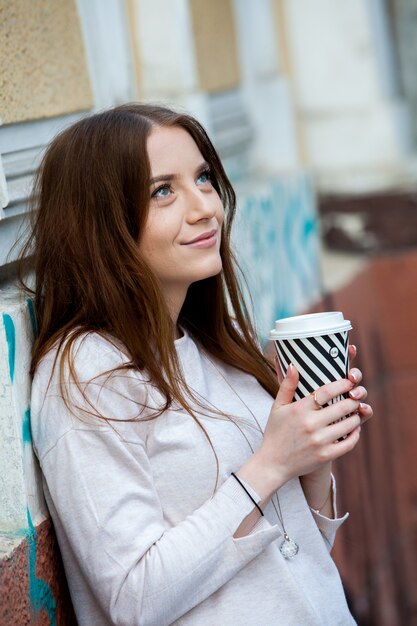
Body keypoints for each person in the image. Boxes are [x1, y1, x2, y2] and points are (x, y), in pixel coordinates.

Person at [25, 103, 373, 626]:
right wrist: (272, 462)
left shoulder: (213, 345)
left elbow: (298, 553)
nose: (204, 207)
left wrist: (313, 455)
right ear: (100, 222)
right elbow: (133, 598)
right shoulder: (85, 372)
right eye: (163, 190)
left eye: (203, 178)